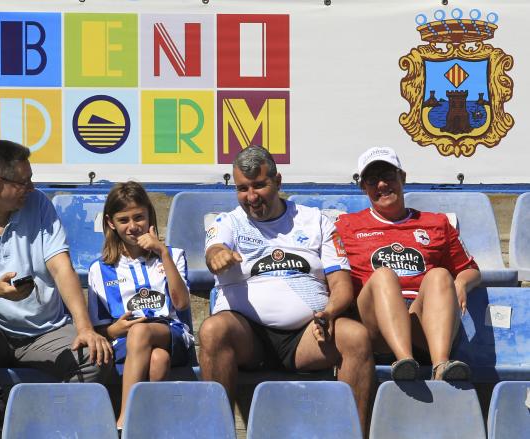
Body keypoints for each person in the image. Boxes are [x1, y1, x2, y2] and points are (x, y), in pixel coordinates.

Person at [0, 140, 113, 431]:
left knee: (95, 356)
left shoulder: (38, 204)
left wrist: (85, 327)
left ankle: (45, 422)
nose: (32, 187)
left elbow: (61, 267)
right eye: (24, 182)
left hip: (46, 331)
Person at [199, 145, 374, 433]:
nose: (251, 197)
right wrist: (217, 256)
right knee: (211, 331)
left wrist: (330, 312)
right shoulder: (227, 221)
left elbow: (341, 283)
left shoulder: (316, 220)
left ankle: (354, 433)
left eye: (259, 186)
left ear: (278, 182)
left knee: (356, 337)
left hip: (307, 335)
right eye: (243, 189)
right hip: (248, 336)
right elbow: (215, 248)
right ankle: (215, 432)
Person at [334, 146, 481, 381]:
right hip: (375, 325)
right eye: (372, 180)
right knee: (383, 276)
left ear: (402, 177)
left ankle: (441, 366)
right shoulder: (345, 226)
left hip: (423, 320)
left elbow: (470, 269)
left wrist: (462, 283)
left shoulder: (436, 223)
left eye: (388, 176)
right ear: (363, 187)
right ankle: (405, 363)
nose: (382, 185)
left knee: (441, 275)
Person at [87, 181, 193, 432]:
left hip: (172, 334)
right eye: (124, 220)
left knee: (142, 332)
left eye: (139, 218)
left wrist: (162, 253)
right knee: (157, 360)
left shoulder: (174, 255)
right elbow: (100, 331)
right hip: (125, 344)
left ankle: (124, 420)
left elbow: (181, 303)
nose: (133, 226)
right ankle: (152, 429)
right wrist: (116, 330)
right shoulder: (99, 269)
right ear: (111, 223)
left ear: (149, 217)